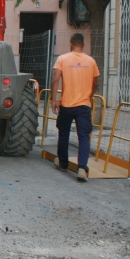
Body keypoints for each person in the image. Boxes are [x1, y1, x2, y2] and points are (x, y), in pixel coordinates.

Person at [51, 33, 100, 182]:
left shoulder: (62, 59)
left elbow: (55, 79)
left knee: (64, 134)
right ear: (83, 45)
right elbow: (95, 82)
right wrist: (89, 96)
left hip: (66, 104)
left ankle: (63, 164)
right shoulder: (91, 61)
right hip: (84, 105)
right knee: (84, 137)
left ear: (71, 44)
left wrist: (54, 99)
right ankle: (82, 168)